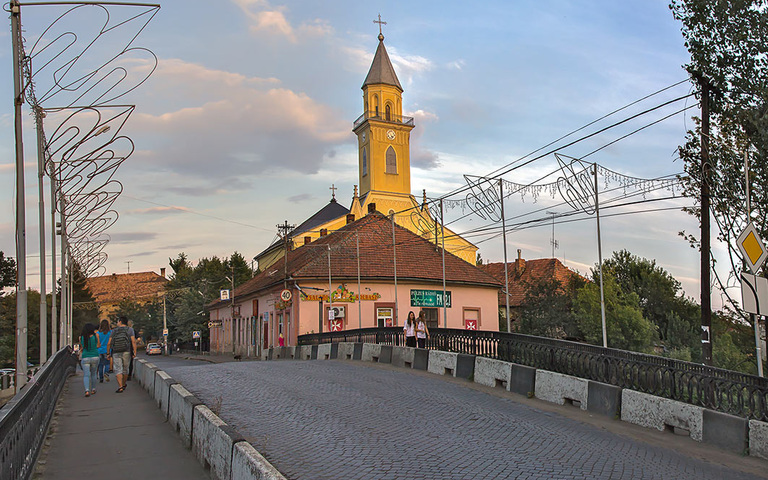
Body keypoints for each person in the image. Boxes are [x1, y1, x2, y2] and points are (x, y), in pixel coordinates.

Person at [108, 316, 136, 393]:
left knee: (118, 369)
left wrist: (108, 353)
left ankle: (120, 386)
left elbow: (109, 343)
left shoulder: (114, 331)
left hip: (116, 352)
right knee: (125, 369)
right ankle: (123, 384)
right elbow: (133, 341)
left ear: (120, 322)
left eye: (117, 321)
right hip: (126, 351)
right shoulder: (130, 330)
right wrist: (134, 352)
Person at [79, 323, 100, 397]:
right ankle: (93, 389)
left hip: (85, 357)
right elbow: (98, 345)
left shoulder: (82, 337)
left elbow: (82, 347)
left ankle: (87, 390)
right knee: (93, 374)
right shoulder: (96, 335)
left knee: (86, 375)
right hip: (95, 356)